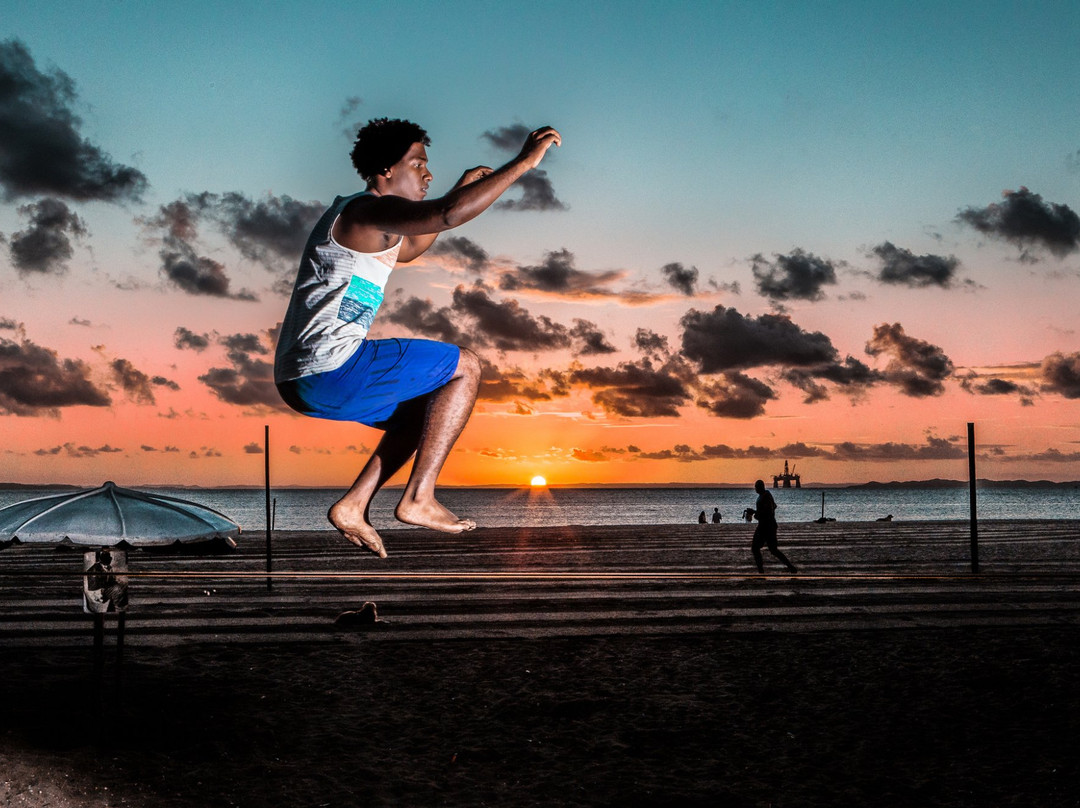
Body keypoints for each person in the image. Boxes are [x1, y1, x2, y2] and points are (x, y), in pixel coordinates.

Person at [275, 118, 561, 557]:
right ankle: (418, 497)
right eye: (418, 164)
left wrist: (456, 192)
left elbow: (414, 244)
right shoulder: (364, 209)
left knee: (427, 408)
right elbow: (446, 215)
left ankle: (354, 505)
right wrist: (523, 163)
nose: (427, 174)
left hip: (303, 381)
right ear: (386, 171)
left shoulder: (375, 224)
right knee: (466, 366)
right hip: (331, 369)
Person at [751, 479, 797, 574]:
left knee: (758, 548)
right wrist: (756, 512)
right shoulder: (766, 495)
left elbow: (767, 512)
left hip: (766, 526)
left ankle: (761, 571)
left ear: (759, 487)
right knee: (771, 549)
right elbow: (773, 507)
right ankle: (790, 567)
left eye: (756, 487)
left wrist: (755, 513)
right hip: (767, 525)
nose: (755, 489)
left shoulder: (765, 496)